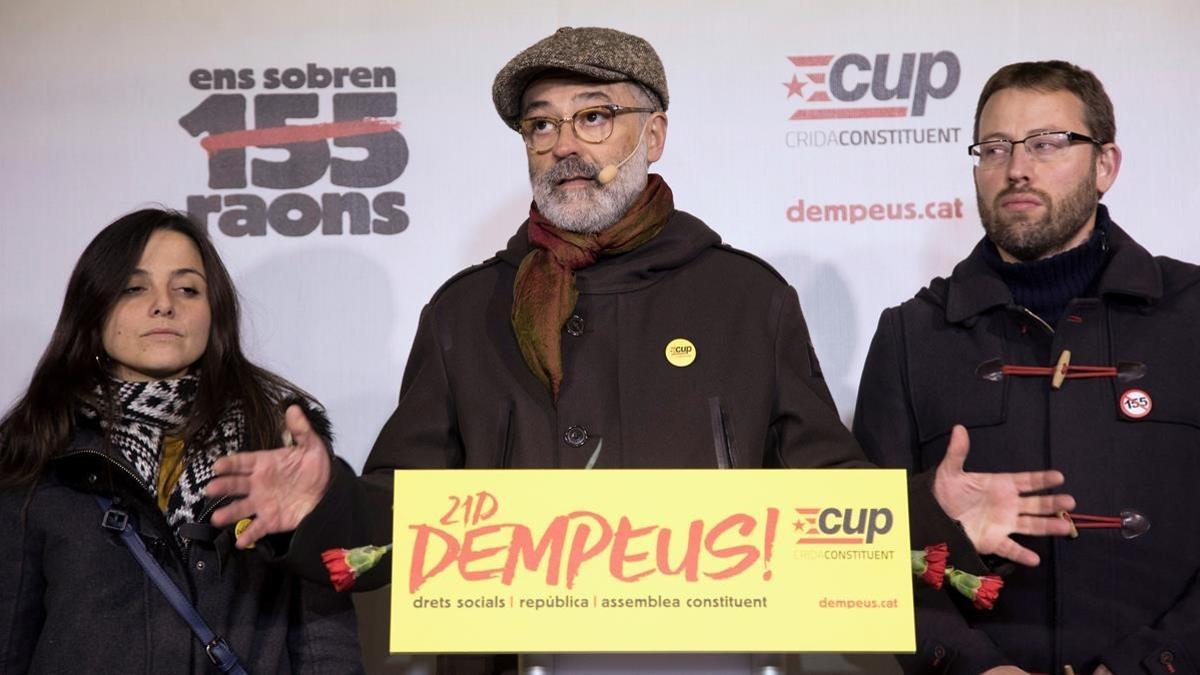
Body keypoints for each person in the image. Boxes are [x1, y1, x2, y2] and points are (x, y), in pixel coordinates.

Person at [206, 28, 1071, 674]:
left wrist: (927, 510)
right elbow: (402, 528)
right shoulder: (465, 311)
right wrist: (327, 505)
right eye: (541, 127)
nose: (564, 146)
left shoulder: (747, 297)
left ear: (651, 136)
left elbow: (825, 495)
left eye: (593, 117)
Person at [854, 60, 1200, 675]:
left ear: (1105, 165)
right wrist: (971, 666)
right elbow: (867, 551)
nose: (1016, 168)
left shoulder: (1193, 315)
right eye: (994, 148)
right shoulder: (912, 334)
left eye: (1047, 144)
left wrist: (1158, 663)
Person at [0, 209, 363, 673]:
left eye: (187, 288)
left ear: (215, 312)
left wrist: (325, 508)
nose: (164, 304)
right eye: (134, 288)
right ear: (94, 310)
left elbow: (324, 639)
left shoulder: (279, 445)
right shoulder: (40, 447)